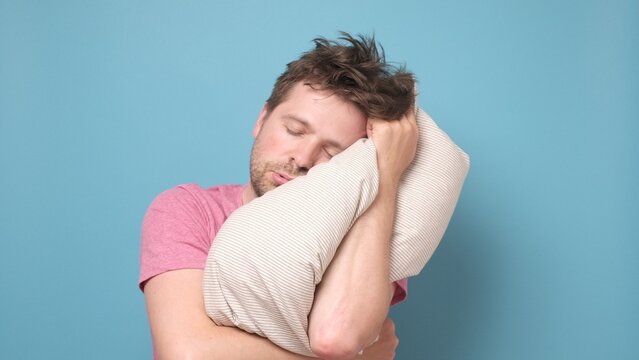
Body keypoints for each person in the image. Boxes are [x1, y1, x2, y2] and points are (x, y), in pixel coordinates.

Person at [139, 32, 417, 359]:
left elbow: (341, 335)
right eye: (294, 130)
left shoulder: (369, 235)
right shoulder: (188, 210)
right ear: (262, 119)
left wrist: (386, 175)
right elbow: (188, 354)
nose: (302, 158)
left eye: (331, 151)